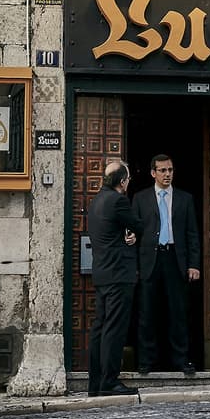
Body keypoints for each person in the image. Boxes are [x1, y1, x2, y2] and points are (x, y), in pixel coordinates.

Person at [135, 153, 201, 377]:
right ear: (153, 173)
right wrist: (135, 265)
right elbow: (134, 232)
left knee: (178, 312)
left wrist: (194, 264)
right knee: (147, 312)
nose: (167, 174)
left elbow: (192, 234)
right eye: (162, 170)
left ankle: (182, 360)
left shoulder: (185, 199)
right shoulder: (140, 199)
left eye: (170, 170)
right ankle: (146, 361)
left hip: (175, 258)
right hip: (150, 260)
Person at [86, 159, 141, 397]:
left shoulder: (96, 201)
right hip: (119, 274)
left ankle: (96, 383)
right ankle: (109, 382)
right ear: (122, 181)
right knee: (114, 329)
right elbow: (138, 223)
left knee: (100, 327)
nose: (128, 183)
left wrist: (125, 235)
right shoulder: (118, 200)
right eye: (128, 179)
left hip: (102, 273)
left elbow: (112, 231)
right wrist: (133, 234)